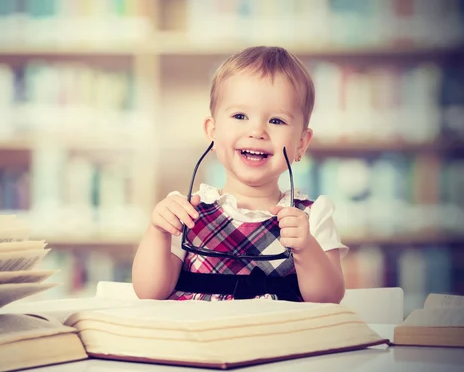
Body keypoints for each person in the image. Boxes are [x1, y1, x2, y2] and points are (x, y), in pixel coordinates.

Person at [132, 46, 348, 304]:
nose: (257, 131)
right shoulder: (186, 211)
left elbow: (329, 299)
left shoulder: (311, 218)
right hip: (199, 339)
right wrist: (158, 232)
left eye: (276, 121)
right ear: (212, 131)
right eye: (240, 116)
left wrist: (306, 248)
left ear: (301, 143)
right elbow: (149, 292)